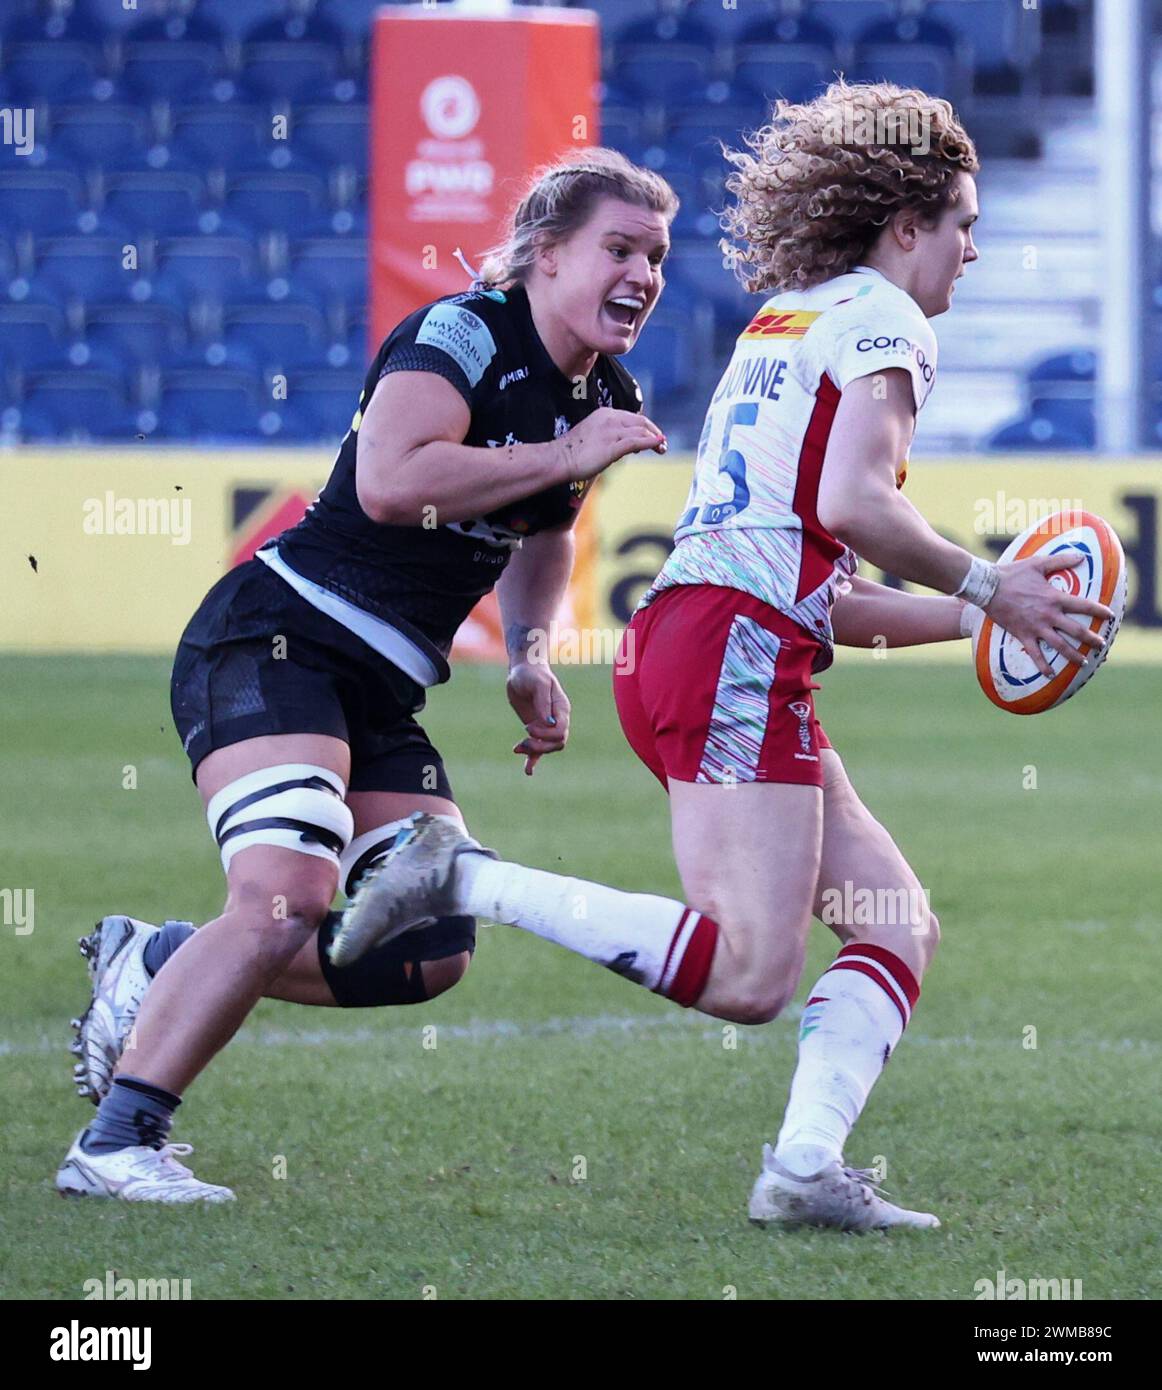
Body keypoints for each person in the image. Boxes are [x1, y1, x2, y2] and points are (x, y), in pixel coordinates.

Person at [329, 80, 1114, 1231]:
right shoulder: (891, 325)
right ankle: (457, 876)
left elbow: (818, 580)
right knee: (751, 973)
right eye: (963, 226)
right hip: (731, 650)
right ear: (906, 229)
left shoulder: (793, 315)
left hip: (709, 637)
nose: (972, 252)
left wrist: (978, 621)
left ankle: (802, 1169)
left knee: (893, 923)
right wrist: (992, 582)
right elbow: (852, 503)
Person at [57, 147, 674, 1202]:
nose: (643, 275)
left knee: (422, 942)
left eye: (657, 257)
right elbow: (393, 481)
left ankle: (158, 960)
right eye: (618, 248)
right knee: (287, 894)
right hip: (277, 638)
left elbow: (542, 538)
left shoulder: (603, 390)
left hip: (378, 682)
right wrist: (565, 456)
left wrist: (528, 654)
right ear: (545, 253)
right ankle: (117, 1143)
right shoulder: (463, 332)